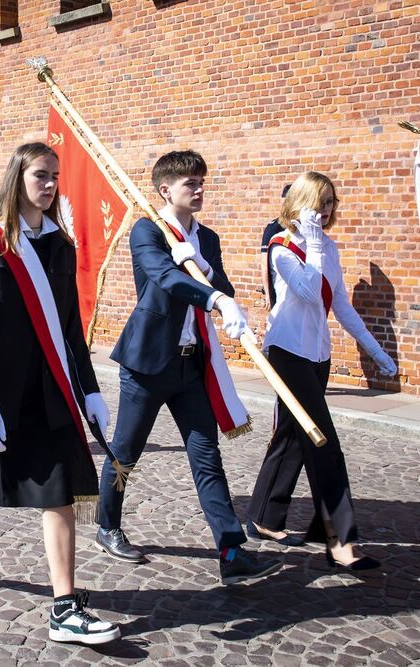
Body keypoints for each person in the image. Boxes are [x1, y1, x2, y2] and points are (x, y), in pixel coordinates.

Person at [0, 142, 119, 647]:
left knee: (60, 491)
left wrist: (91, 390)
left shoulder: (62, 246)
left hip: (51, 389)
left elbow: (68, 330)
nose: (50, 185)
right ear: (18, 177)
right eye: (41, 175)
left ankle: (64, 607)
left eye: (55, 176)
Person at [95, 149, 283, 586]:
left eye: (202, 181)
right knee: (125, 453)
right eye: (190, 184)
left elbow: (223, 286)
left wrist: (211, 276)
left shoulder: (208, 237)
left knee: (207, 457)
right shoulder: (148, 230)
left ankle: (231, 550)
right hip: (147, 364)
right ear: (166, 190)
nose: (199, 190)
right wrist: (201, 283)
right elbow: (163, 277)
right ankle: (106, 524)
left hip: (191, 365)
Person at [247, 171, 397, 569]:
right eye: (319, 201)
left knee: (292, 438)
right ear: (300, 203)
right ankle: (340, 541)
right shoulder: (281, 247)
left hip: (318, 355)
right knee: (323, 443)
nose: (326, 209)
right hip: (287, 351)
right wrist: (312, 241)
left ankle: (264, 516)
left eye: (330, 201)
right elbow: (309, 291)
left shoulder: (328, 247)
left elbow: (340, 304)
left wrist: (374, 349)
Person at [259, 184, 291, 309]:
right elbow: (264, 262)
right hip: (279, 292)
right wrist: (268, 294)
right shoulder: (274, 228)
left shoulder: (302, 228)